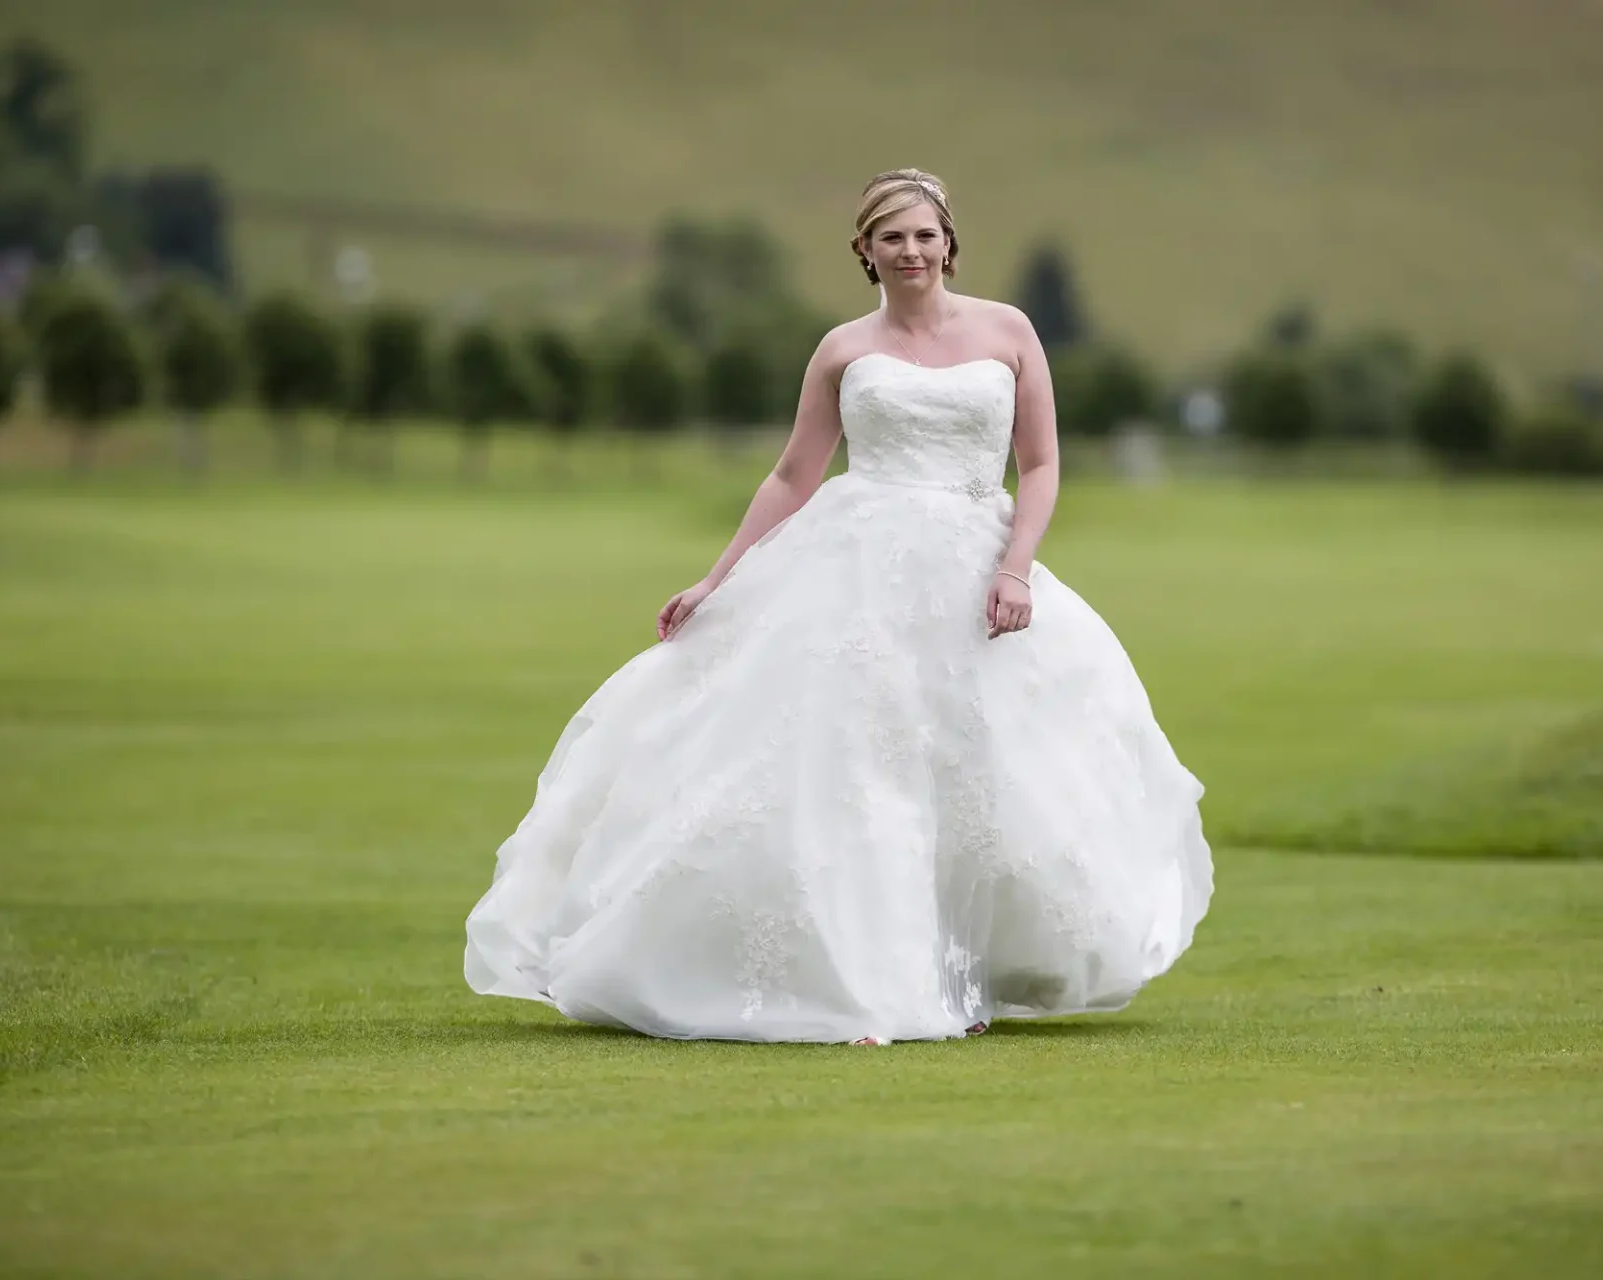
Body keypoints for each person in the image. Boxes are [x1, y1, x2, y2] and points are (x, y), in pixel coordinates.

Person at [464, 168, 1213, 1045]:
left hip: (975, 566)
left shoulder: (1009, 331)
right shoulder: (841, 349)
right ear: (864, 250)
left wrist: (1015, 570)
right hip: (853, 566)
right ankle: (871, 985)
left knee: (981, 772)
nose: (912, 251)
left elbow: (1040, 465)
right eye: (891, 237)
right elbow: (793, 474)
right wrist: (717, 579)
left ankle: (965, 972)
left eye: (926, 235)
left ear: (950, 243)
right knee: (858, 772)